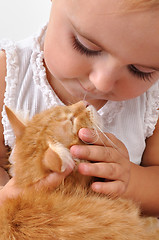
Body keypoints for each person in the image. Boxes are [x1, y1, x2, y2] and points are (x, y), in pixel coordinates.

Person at [0, 0, 159, 217]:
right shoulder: (10, 76)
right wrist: (6, 197)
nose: (102, 82)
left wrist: (132, 181)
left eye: (140, 70)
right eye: (85, 46)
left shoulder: (151, 103)